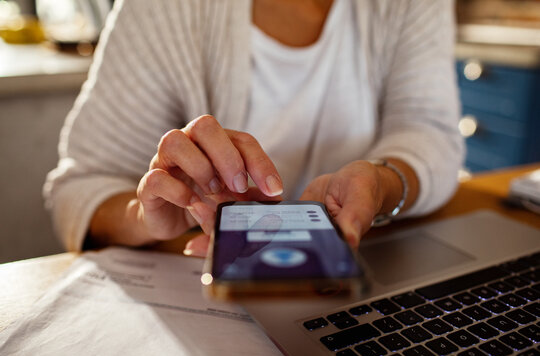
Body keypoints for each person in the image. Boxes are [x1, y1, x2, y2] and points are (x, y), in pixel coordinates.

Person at [44, 0, 464, 256]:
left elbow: (429, 132)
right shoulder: (164, 8)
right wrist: (145, 218)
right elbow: (78, 191)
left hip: (367, 275)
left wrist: (381, 184)